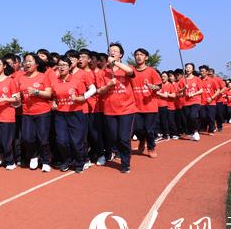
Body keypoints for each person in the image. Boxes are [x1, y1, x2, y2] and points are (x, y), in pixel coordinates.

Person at [97, 43, 137, 173]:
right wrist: (108, 85)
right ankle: (119, 152)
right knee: (114, 137)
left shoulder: (126, 68)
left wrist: (115, 63)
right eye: (110, 51)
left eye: (115, 51)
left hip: (126, 109)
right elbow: (100, 91)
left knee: (123, 138)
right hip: (110, 110)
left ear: (121, 54)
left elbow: (131, 72)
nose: (113, 52)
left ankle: (125, 163)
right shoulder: (104, 72)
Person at [51, 57, 94, 173]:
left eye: (64, 65)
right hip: (60, 114)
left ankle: (80, 162)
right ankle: (67, 160)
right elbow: (54, 96)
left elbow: (83, 95)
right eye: (60, 65)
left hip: (75, 113)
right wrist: (54, 103)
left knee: (76, 141)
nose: (61, 67)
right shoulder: (55, 81)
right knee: (61, 140)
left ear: (70, 67)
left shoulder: (76, 80)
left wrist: (78, 98)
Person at [18, 53, 53, 172]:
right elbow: (19, 95)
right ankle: (33, 156)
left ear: (37, 63)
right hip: (27, 112)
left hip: (43, 112)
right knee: (27, 138)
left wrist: (36, 92)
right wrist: (18, 98)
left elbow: (49, 94)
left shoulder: (43, 77)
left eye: (30, 61)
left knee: (43, 139)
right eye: (25, 61)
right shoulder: (21, 78)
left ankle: (45, 161)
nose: (27, 63)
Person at [130, 48, 162, 158]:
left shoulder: (151, 71)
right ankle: (142, 139)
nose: (139, 56)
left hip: (150, 107)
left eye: (141, 55)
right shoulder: (131, 72)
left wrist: (153, 87)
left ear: (146, 57)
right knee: (137, 129)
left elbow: (158, 86)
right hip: (136, 107)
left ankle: (151, 147)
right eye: (137, 55)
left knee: (149, 130)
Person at [181, 63, 203, 141]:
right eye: (186, 67)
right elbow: (179, 92)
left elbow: (201, 90)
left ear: (192, 69)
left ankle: (196, 132)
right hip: (186, 102)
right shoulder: (182, 80)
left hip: (195, 101)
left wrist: (193, 94)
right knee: (188, 118)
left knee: (192, 116)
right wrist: (184, 88)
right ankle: (192, 132)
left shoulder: (197, 79)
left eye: (189, 68)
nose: (187, 69)